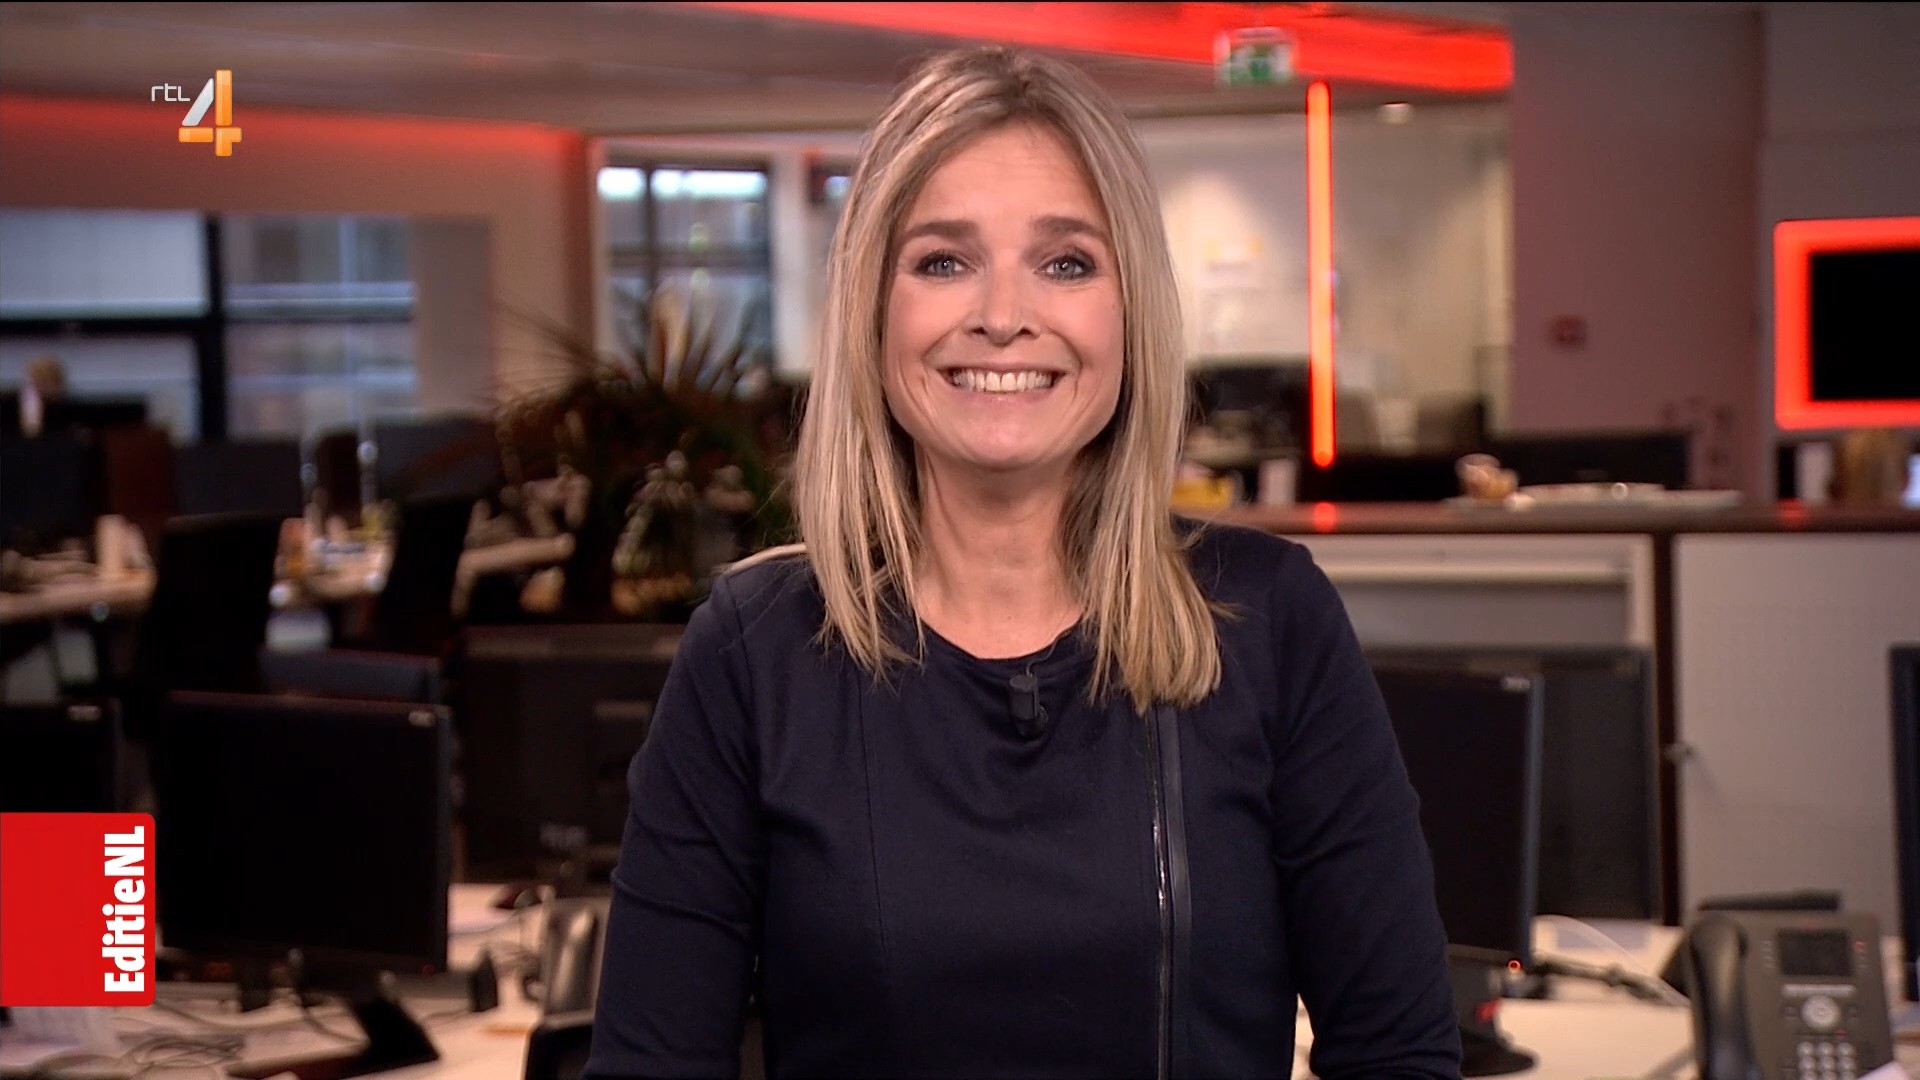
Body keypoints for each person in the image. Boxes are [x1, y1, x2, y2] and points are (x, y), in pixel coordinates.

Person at [586, 45, 1460, 1080]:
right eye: (942, 262)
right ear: (872, 310)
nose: (1003, 315)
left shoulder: (1271, 620)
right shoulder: (753, 651)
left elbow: (1399, 1053)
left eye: (1066, 263)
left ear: (1130, 312)